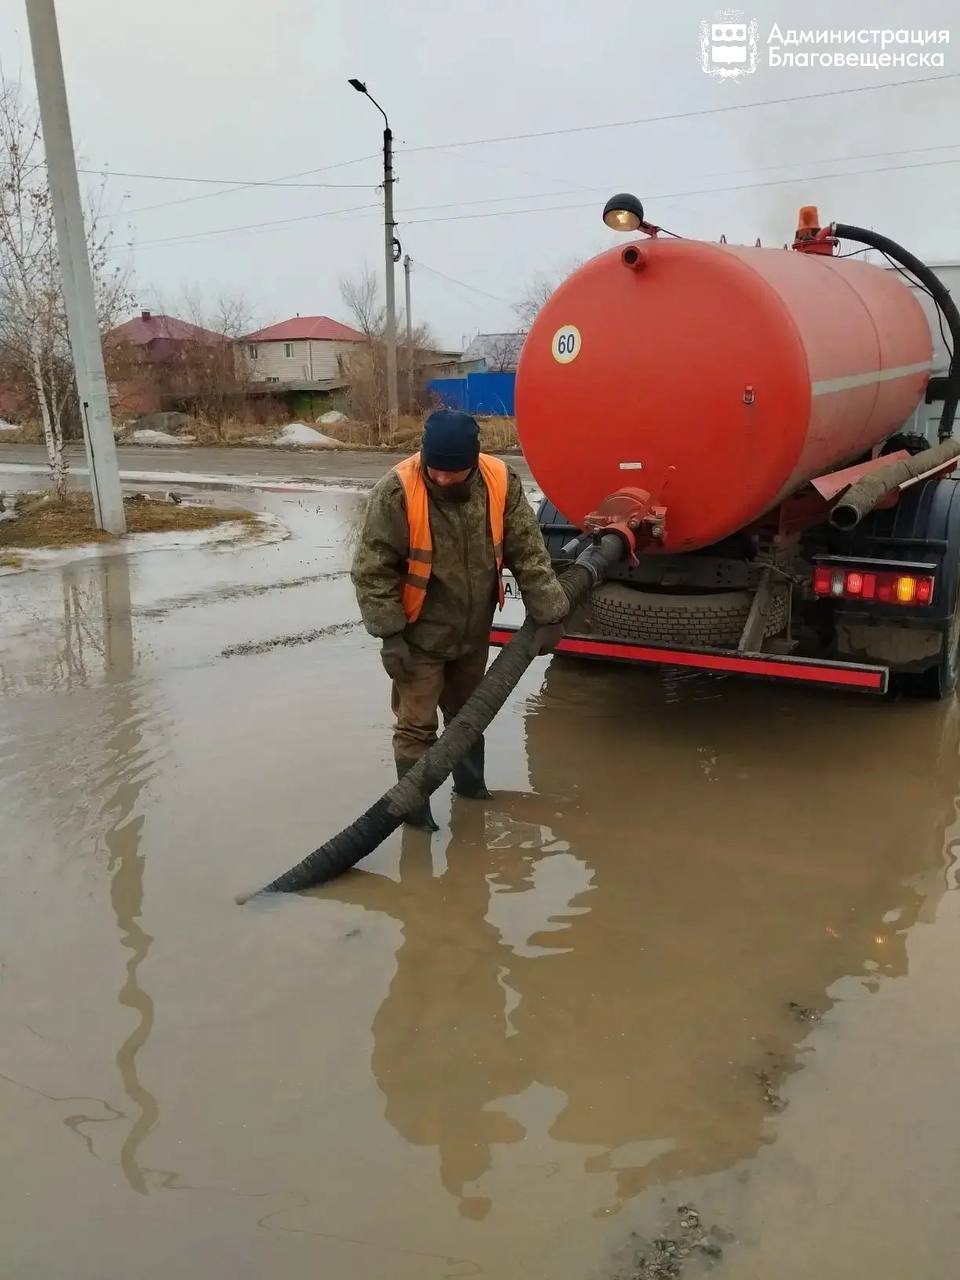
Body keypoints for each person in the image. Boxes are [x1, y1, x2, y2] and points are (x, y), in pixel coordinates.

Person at [352, 409, 569, 830]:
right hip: (418, 637)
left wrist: (549, 613)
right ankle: (415, 818)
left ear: (474, 461)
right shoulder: (396, 492)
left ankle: (470, 794)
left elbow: (529, 552)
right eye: (436, 471)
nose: (445, 479)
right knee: (416, 727)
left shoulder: (500, 481)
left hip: (473, 631)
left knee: (469, 716)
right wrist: (389, 635)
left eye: (455, 472)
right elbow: (372, 569)